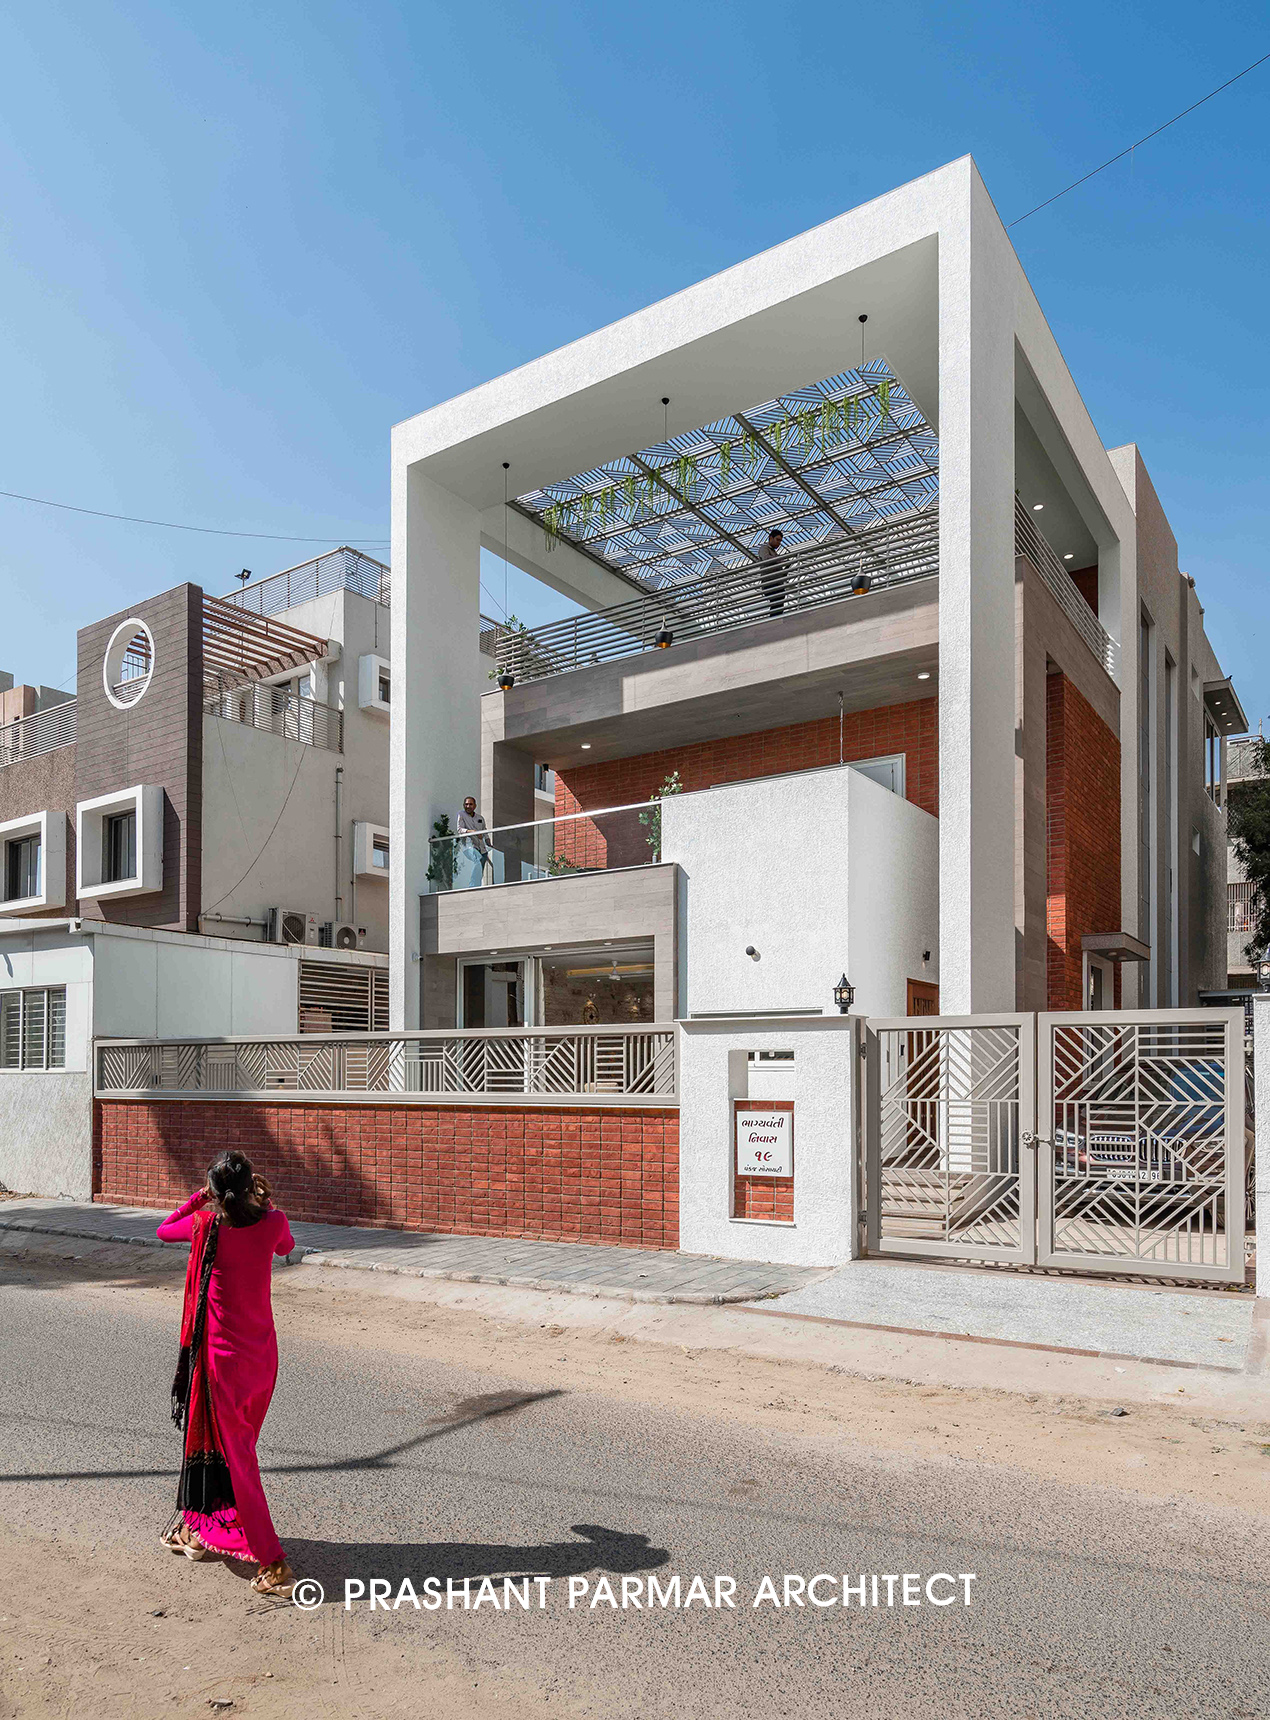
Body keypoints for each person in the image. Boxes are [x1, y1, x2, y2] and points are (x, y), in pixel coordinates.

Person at [157, 1151, 297, 1598]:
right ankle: (200, 1529)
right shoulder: (273, 1223)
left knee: (238, 1460)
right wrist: (264, 1205)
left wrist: (197, 1199)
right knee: (234, 1449)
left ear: (215, 1194)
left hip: (224, 1366)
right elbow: (287, 1247)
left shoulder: (205, 1227)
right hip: (263, 1360)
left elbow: (163, 1229)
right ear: (250, 1185)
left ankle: (273, 1561)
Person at [456, 795, 492, 888]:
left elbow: (484, 831)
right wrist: (472, 832)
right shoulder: (461, 814)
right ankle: (472, 886)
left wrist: (488, 842)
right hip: (469, 846)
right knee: (477, 860)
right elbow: (459, 829)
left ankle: (477, 887)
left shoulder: (480, 818)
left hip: (482, 848)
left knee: (480, 870)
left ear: (475, 806)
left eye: (470, 804)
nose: (468, 806)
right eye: (466, 804)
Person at [760, 527, 786, 616]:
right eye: (777, 540)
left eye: (780, 541)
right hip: (770, 583)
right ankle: (774, 619)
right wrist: (780, 560)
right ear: (771, 538)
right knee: (777, 601)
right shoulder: (764, 548)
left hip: (776, 583)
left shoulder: (774, 553)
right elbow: (766, 558)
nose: (779, 543)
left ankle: (776, 619)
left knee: (779, 602)